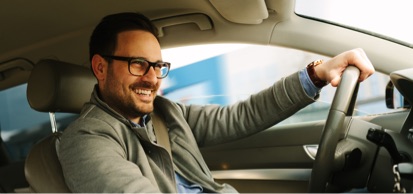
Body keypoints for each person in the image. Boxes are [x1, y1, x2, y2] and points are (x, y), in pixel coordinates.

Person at [58, 12, 375, 193]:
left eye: (158, 66)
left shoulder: (164, 113)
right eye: (138, 64)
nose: (152, 78)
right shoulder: (84, 141)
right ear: (100, 67)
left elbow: (241, 116)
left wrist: (317, 74)